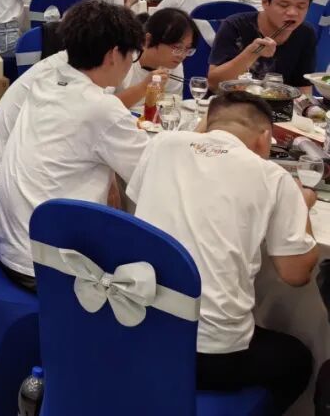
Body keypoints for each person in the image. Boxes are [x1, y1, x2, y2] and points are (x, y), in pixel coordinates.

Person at [128, 92, 317, 413]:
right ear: (265, 138)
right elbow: (296, 274)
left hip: (136, 330)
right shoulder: (274, 177)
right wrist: (301, 205)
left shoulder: (161, 145)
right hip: (210, 356)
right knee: (297, 359)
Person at [0, 0, 150, 288]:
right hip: (46, 269)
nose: (132, 63)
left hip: (12, 247)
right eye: (133, 54)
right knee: (151, 271)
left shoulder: (47, 81)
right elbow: (151, 173)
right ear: (113, 54)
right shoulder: (100, 108)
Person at [0, 47, 68, 205]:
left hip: (0, 171)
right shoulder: (62, 76)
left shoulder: (57, 65)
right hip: (3, 182)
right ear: (112, 55)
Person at [209, 0, 317, 91]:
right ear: (265, 2)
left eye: (301, 6)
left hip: (278, 101)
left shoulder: (306, 33)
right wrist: (251, 53)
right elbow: (213, 83)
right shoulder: (235, 25)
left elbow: (303, 88)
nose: (292, 12)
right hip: (231, 100)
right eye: (284, 5)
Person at [113, 8, 194, 112]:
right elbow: (103, 107)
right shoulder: (123, 57)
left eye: (187, 48)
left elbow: (171, 107)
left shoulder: (174, 64)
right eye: (176, 47)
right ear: (148, 40)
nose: (182, 55)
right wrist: (144, 87)